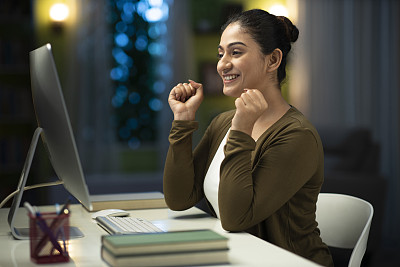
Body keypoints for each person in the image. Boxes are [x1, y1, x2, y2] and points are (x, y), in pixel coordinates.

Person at [163, 9, 334, 267]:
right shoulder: (223, 122)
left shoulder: (297, 135)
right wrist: (183, 122)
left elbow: (235, 218)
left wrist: (242, 129)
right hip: (235, 257)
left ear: (273, 60)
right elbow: (179, 198)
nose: (222, 63)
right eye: (221, 53)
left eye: (236, 52)